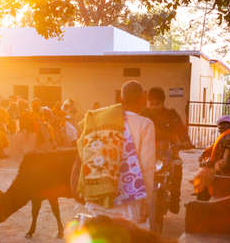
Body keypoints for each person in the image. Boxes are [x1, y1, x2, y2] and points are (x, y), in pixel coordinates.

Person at [76, 80, 156, 227]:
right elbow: (147, 166)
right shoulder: (145, 124)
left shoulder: (103, 119)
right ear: (142, 99)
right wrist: (146, 202)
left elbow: (84, 149)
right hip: (129, 200)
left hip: (100, 196)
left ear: (121, 99)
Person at [141, 87, 193, 214]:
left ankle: (175, 199)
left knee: (177, 165)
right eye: (151, 103)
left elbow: (181, 130)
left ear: (163, 102)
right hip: (147, 151)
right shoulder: (143, 114)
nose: (153, 107)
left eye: (156, 104)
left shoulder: (171, 114)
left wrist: (185, 141)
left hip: (168, 150)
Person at [194, 115, 230, 199]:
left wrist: (211, 164)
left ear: (229, 126)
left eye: (222, 127)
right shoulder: (229, 137)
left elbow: (227, 163)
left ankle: (202, 199)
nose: (220, 130)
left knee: (203, 174)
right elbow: (214, 149)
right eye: (220, 127)